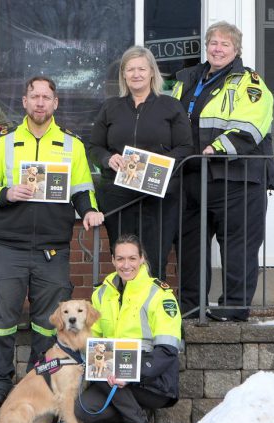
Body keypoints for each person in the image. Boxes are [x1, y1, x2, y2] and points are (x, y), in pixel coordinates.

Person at [0, 76, 104, 407]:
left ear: (55, 103)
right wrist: (6, 192)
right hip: (10, 247)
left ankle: (41, 382)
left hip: (53, 248)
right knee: (2, 320)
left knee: (48, 324)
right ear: (24, 101)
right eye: (35, 96)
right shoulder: (5, 144)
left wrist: (89, 211)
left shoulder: (71, 146)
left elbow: (83, 189)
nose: (40, 102)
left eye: (47, 97)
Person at [171, 21, 274, 321]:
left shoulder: (250, 82)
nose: (217, 48)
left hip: (238, 179)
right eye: (213, 43)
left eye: (224, 44)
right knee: (190, 248)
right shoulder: (186, 79)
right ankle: (191, 307)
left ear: (236, 49)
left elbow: (252, 124)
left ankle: (233, 307)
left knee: (238, 249)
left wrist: (215, 148)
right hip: (192, 177)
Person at [88, 46, 193, 279]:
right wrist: (107, 158)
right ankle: (126, 310)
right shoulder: (110, 107)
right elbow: (94, 147)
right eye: (130, 69)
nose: (136, 74)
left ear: (152, 72)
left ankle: (150, 310)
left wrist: (158, 163)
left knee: (154, 256)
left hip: (158, 197)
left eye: (142, 69)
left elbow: (186, 147)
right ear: (123, 74)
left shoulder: (170, 106)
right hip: (118, 195)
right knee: (124, 257)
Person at [75, 234, 182, 423]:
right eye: (121, 259)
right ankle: (129, 406)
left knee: (105, 374)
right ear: (113, 260)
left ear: (142, 259)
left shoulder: (160, 294)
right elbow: (91, 339)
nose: (126, 265)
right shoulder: (102, 293)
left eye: (132, 258)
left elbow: (168, 351)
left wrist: (130, 374)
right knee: (82, 409)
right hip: (112, 373)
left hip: (154, 379)